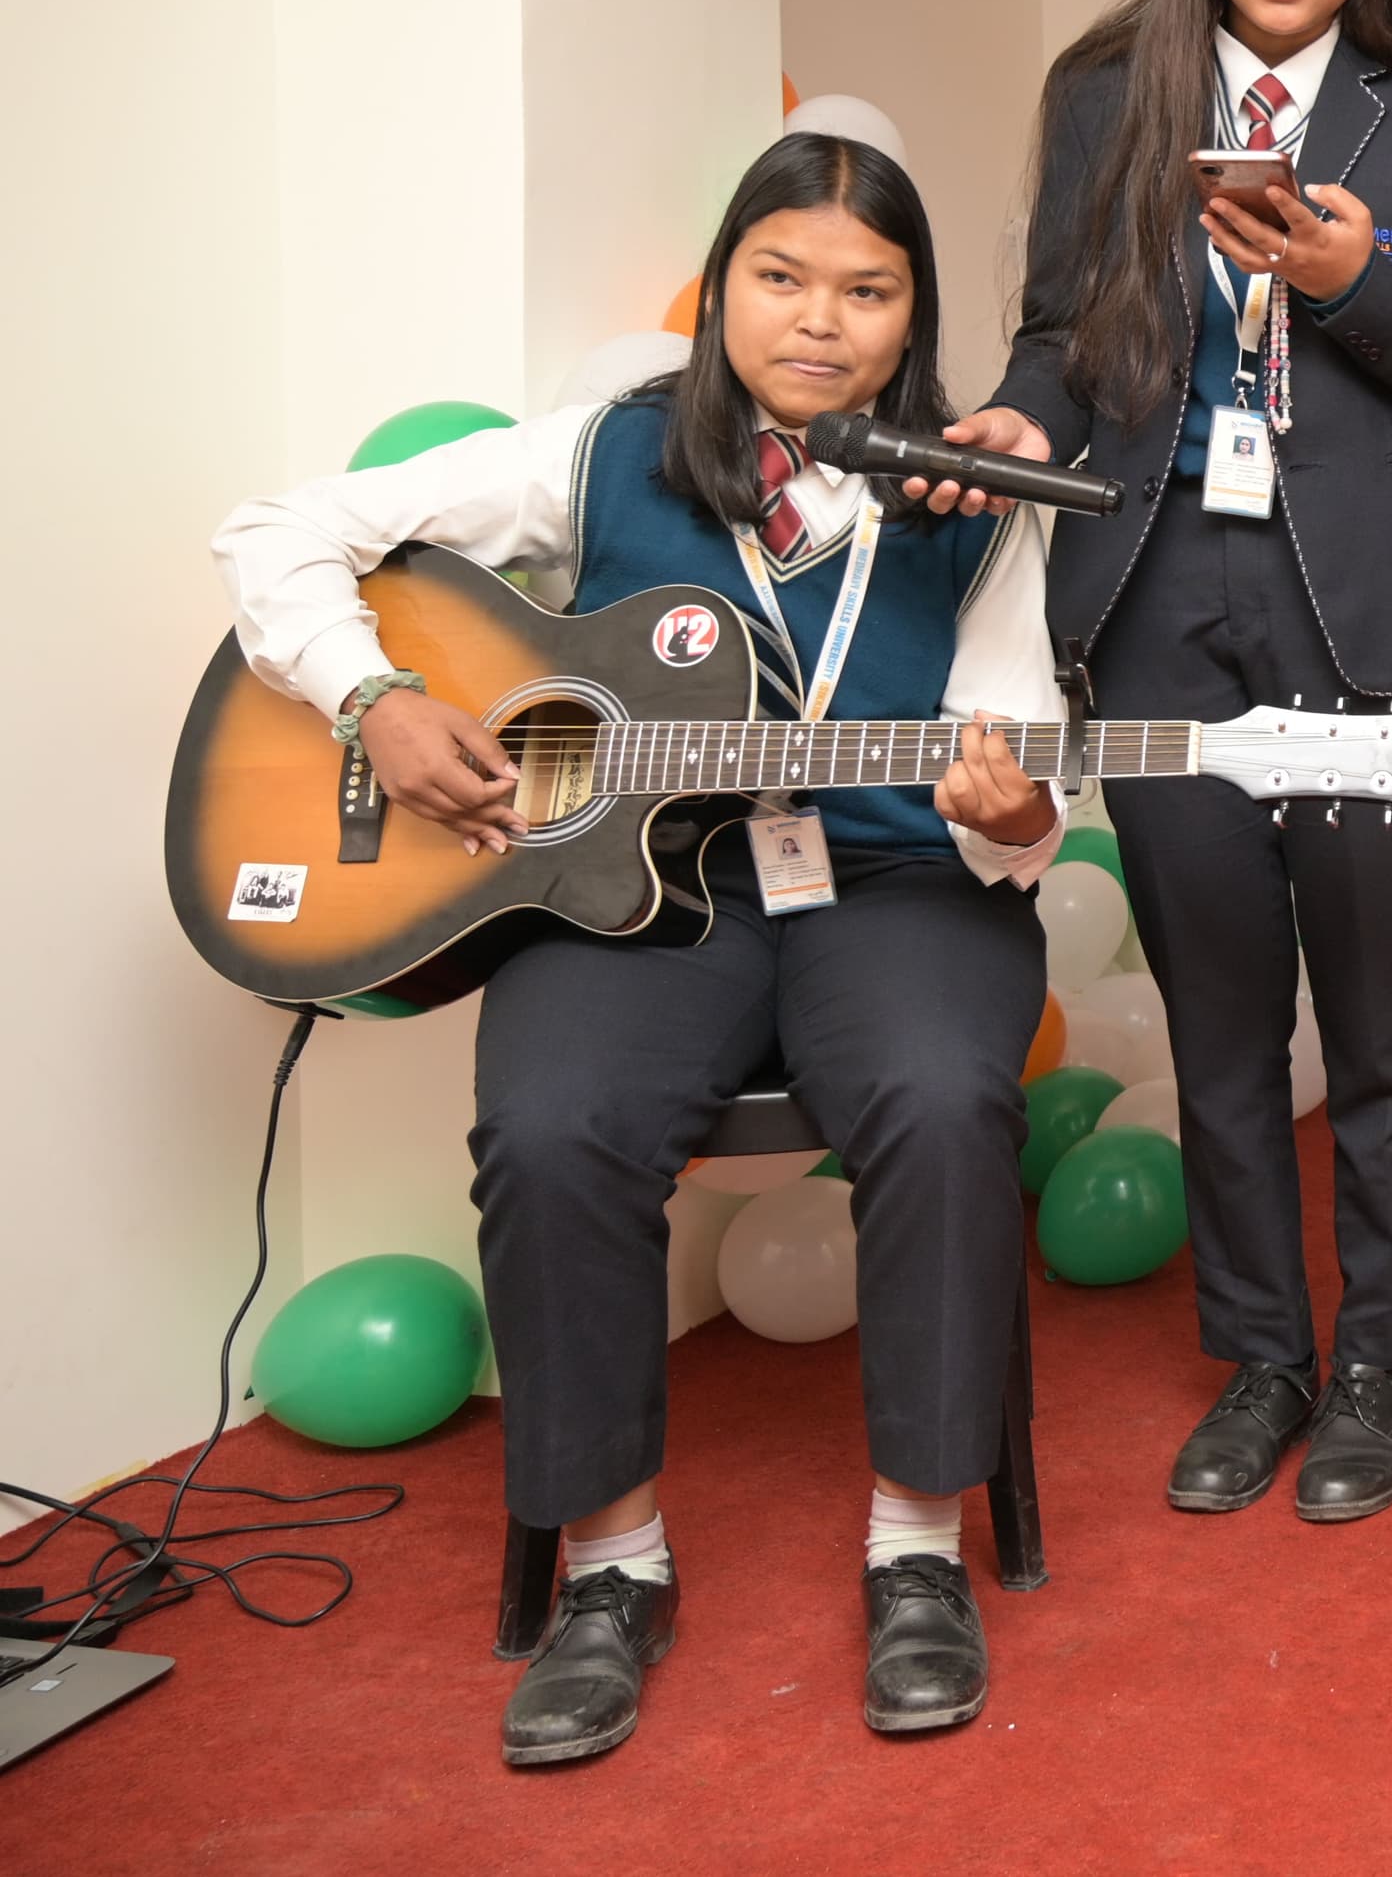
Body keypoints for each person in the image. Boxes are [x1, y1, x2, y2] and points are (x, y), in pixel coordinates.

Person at [212, 136, 1067, 1762]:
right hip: (637, 894)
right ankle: (612, 1570)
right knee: (549, 1127)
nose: (821, 320)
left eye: (868, 290)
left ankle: (916, 1553)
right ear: (726, 281)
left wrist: (1013, 816)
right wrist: (377, 698)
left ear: (915, 313)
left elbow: (1007, 778)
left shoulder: (974, 496)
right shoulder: (602, 456)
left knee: (951, 1102)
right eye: (783, 277)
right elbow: (278, 530)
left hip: (891, 883)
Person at [921, 0, 1392, 1519]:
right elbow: (1059, 332)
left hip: (1364, 602)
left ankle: (1375, 1360)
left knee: (1381, 1008)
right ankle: (1263, 1355)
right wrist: (1026, 421)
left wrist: (1356, 284)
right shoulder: (1109, 89)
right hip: (1156, 589)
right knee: (1220, 1018)